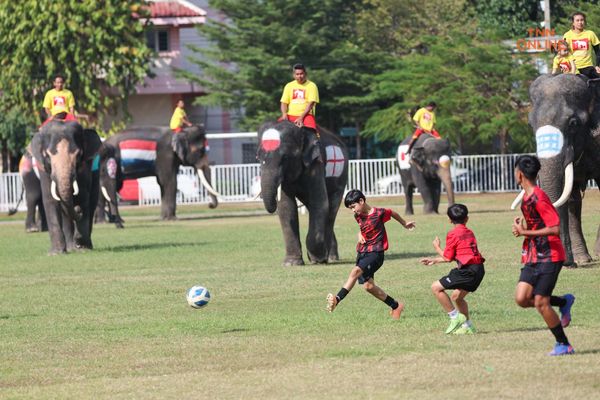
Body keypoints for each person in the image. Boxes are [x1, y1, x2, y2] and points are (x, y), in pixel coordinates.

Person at [511, 155, 575, 356]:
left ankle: (563, 344)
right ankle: (564, 302)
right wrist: (523, 228)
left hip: (550, 256)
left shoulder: (539, 197)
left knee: (540, 302)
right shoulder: (527, 197)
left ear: (519, 174)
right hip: (533, 255)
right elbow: (538, 224)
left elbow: (555, 228)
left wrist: (525, 233)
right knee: (522, 299)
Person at [326, 189, 415, 319]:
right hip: (362, 252)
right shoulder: (357, 215)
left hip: (376, 253)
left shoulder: (379, 213)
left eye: (353, 206)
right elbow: (362, 228)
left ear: (361, 201)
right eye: (350, 208)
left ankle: (337, 299)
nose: (353, 210)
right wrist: (359, 234)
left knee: (355, 272)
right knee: (369, 287)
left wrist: (404, 223)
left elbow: (392, 213)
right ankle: (396, 306)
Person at [420, 204, 485, 335]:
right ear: (467, 219)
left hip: (468, 271)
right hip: (478, 269)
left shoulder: (453, 234)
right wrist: (435, 260)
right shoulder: (469, 232)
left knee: (436, 288)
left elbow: (448, 257)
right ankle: (468, 326)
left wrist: (436, 247)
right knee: (457, 297)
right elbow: (459, 255)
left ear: (449, 219)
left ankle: (455, 318)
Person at [280, 63, 319, 131]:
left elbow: (311, 104)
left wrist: (301, 117)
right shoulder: (289, 85)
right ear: (294, 75)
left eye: (301, 74)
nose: (299, 76)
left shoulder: (312, 85)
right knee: (275, 129)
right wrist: (284, 114)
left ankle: (315, 141)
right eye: (297, 74)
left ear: (305, 74)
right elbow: (284, 102)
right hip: (290, 115)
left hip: (306, 116)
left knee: (312, 133)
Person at [563, 11, 600, 79]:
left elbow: (598, 52)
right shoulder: (567, 35)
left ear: (584, 21)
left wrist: (597, 66)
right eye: (577, 20)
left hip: (588, 68)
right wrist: (565, 67)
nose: (580, 22)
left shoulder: (590, 34)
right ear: (573, 23)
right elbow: (563, 53)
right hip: (573, 68)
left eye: (582, 20)